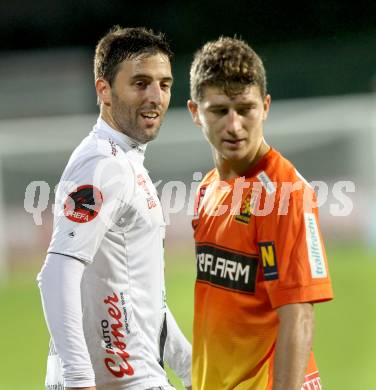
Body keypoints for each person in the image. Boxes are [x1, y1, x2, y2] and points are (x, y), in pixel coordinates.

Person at [38, 26, 192, 390]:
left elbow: (141, 295)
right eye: (140, 83)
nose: (156, 96)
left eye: (164, 84)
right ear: (103, 90)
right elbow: (56, 273)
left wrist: (190, 370)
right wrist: (78, 378)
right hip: (123, 380)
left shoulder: (124, 163)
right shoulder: (102, 165)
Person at [187, 37, 334, 390]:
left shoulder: (285, 193)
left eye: (245, 109)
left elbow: (298, 314)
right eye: (220, 110)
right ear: (195, 112)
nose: (234, 125)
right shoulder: (208, 188)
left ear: (265, 106)